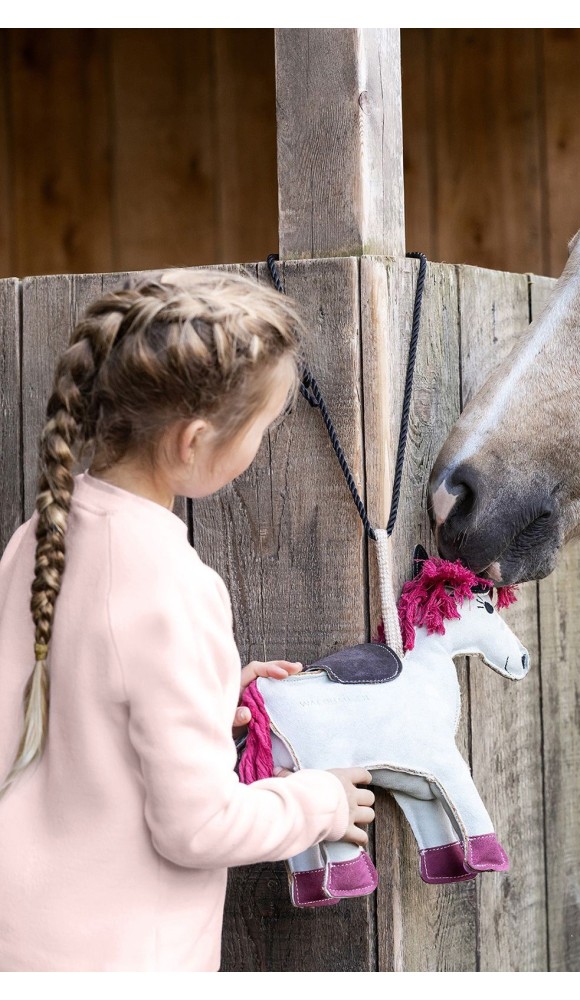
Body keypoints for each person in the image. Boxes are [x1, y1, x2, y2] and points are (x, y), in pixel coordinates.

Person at [0, 268, 375, 972]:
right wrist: (319, 801)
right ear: (194, 441)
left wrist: (211, 694)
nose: (259, 447)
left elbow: (75, 701)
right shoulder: (176, 587)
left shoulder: (37, 539)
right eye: (261, 429)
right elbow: (196, 827)